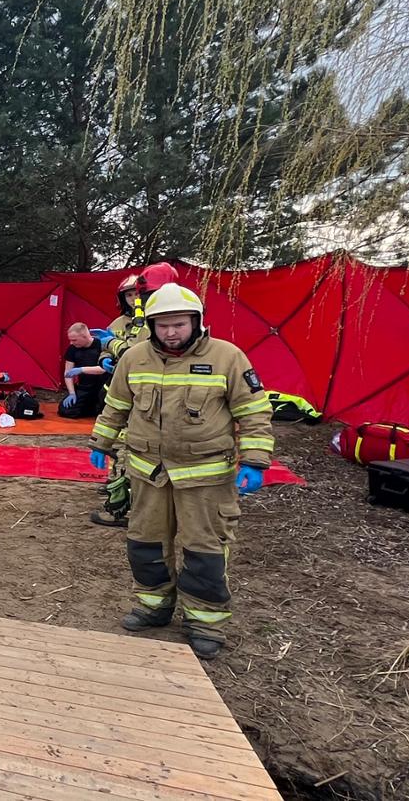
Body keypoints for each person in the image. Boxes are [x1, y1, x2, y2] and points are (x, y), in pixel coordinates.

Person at [88, 283, 274, 660]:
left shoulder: (228, 357)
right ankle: (154, 606)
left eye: (179, 324)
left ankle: (205, 622)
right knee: (145, 543)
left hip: (205, 477)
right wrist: (100, 443)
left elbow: (253, 412)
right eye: (163, 325)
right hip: (147, 473)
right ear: (152, 325)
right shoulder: (134, 358)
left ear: (197, 321)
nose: (171, 332)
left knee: (203, 550)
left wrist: (254, 460)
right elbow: (116, 405)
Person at [92, 261, 181, 527]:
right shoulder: (125, 321)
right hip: (124, 391)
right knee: (122, 447)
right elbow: (112, 352)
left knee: (130, 449)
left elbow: (137, 351)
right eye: (130, 295)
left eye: (139, 293)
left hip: (146, 397)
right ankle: (120, 491)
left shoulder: (159, 320)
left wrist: (111, 343)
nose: (135, 299)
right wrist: (104, 357)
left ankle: (119, 508)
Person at [59, 322, 109, 418]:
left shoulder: (101, 345)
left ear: (84, 336)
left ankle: (95, 408)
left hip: (102, 386)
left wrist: (82, 369)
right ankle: (90, 408)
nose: (71, 343)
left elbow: (105, 369)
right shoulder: (72, 349)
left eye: (74, 340)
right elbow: (68, 373)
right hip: (85, 387)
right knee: (65, 410)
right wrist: (72, 393)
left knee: (103, 410)